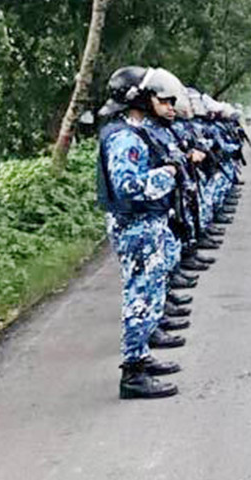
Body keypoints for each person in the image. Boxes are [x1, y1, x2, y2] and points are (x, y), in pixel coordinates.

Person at [97, 66, 184, 399]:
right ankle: (133, 373)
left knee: (149, 291)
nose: (166, 103)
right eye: (159, 97)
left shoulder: (135, 132)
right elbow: (128, 186)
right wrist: (167, 174)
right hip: (135, 226)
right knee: (139, 296)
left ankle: (142, 355)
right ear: (139, 98)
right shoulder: (125, 138)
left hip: (146, 224)